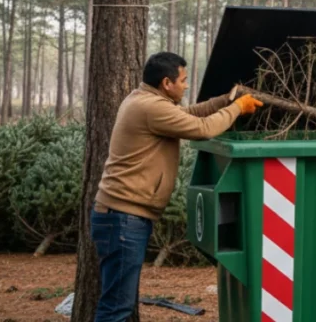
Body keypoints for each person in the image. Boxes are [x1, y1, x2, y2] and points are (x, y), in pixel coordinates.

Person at [90, 52, 263, 322]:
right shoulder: (150, 108)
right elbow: (203, 128)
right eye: (183, 80)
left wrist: (226, 100)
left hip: (122, 217)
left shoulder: (146, 100)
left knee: (119, 304)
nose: (186, 85)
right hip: (123, 219)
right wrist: (237, 108)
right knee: (116, 308)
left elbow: (189, 114)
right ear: (166, 83)